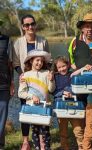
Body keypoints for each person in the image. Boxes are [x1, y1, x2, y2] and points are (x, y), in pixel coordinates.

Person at [13, 14, 50, 150]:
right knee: (25, 110)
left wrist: (47, 76)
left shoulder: (43, 41)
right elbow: (16, 63)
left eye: (32, 24)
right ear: (23, 27)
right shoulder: (17, 43)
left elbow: (48, 61)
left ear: (35, 25)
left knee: (40, 108)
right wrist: (21, 74)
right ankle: (25, 141)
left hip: (39, 81)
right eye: (27, 25)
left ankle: (41, 139)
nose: (30, 27)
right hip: (25, 80)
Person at [18, 49, 55, 150]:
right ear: (31, 61)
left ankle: (45, 147)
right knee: (35, 131)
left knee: (45, 132)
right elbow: (21, 93)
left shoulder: (47, 73)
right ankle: (38, 147)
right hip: (32, 109)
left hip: (45, 108)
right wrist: (31, 96)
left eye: (42, 61)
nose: (40, 63)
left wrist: (51, 80)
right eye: (37, 60)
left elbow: (51, 89)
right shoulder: (26, 75)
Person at [53, 56, 84, 150]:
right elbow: (53, 91)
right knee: (63, 131)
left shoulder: (72, 75)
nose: (62, 69)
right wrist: (62, 92)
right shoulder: (55, 77)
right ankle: (65, 147)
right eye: (59, 67)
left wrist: (71, 92)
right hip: (61, 107)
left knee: (78, 130)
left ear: (68, 65)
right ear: (56, 68)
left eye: (64, 66)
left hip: (74, 107)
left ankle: (82, 147)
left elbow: (79, 88)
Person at [0, 18, 14, 150]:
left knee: (2, 117)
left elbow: (10, 64)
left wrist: (12, 84)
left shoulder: (7, 40)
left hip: (4, 85)